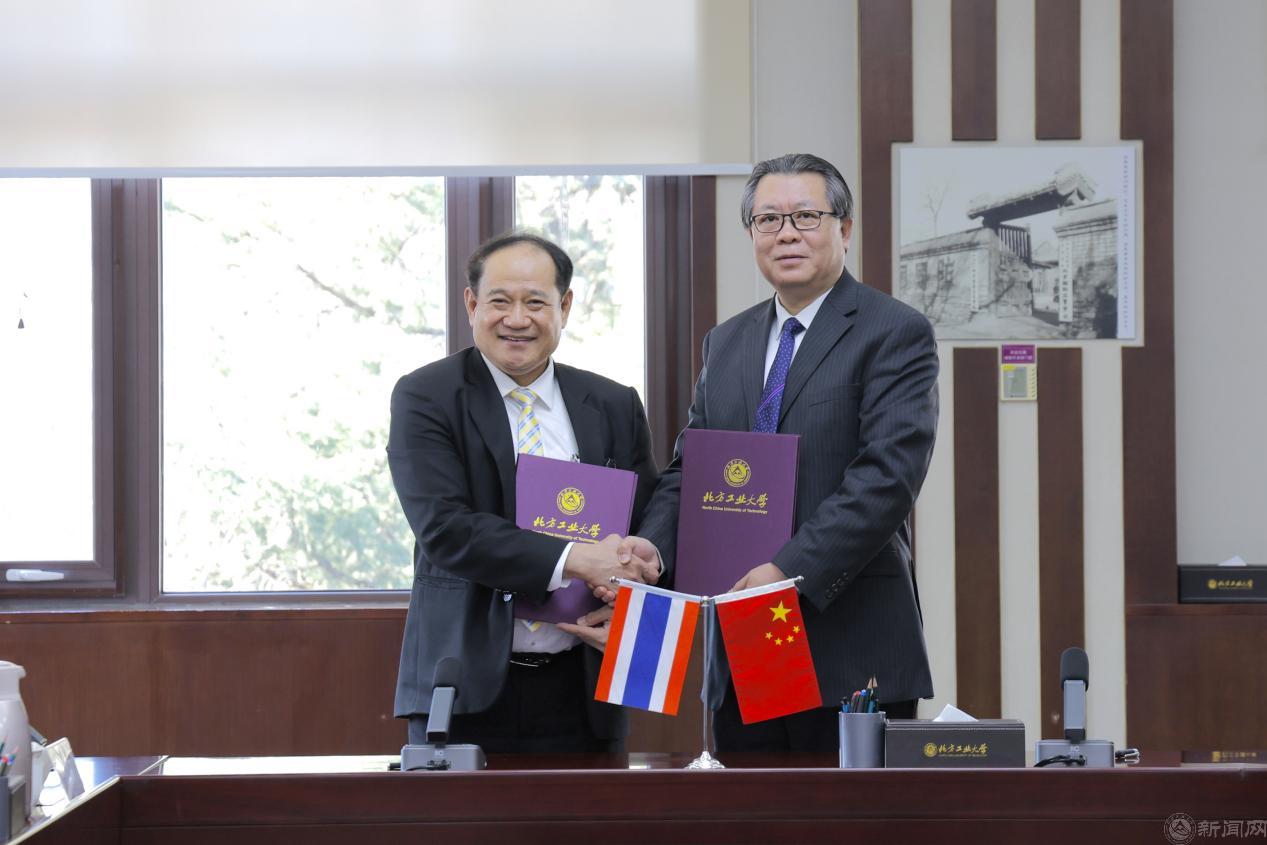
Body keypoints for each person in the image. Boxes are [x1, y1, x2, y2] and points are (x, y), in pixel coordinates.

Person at [623, 153, 939, 752]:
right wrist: (653, 547)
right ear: (752, 234)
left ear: (844, 228)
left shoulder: (893, 331)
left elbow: (887, 478)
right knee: (750, 801)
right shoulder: (727, 341)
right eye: (768, 219)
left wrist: (786, 571)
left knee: (845, 808)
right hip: (746, 642)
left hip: (847, 638)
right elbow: (694, 465)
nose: (786, 233)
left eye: (805, 216)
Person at [387, 231, 660, 753]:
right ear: (472, 305)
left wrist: (633, 606)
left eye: (535, 302)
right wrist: (578, 559)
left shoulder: (613, 403)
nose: (517, 319)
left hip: (585, 690)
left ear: (565, 307)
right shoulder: (427, 396)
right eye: (499, 301)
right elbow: (446, 529)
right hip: (465, 688)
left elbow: (646, 530)